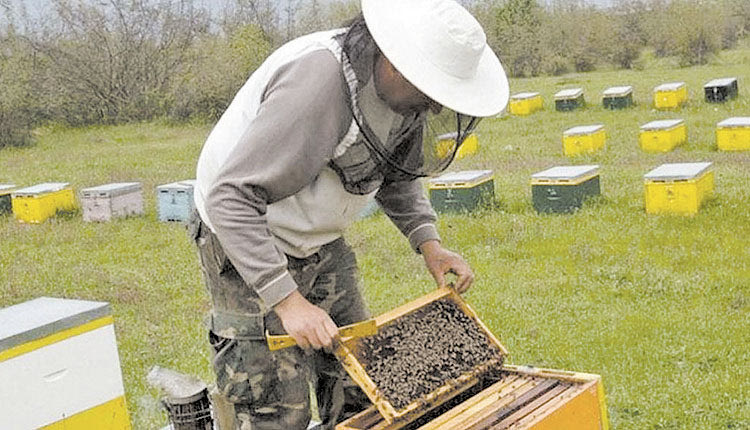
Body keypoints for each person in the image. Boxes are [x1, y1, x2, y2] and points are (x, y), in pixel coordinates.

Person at [190, 0, 509, 428]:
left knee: (356, 382)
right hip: (246, 230)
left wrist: (429, 244)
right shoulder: (318, 85)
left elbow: (397, 172)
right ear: (396, 65)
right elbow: (230, 198)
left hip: (319, 239)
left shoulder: (401, 98)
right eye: (431, 92)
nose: (434, 108)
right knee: (273, 407)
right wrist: (288, 300)